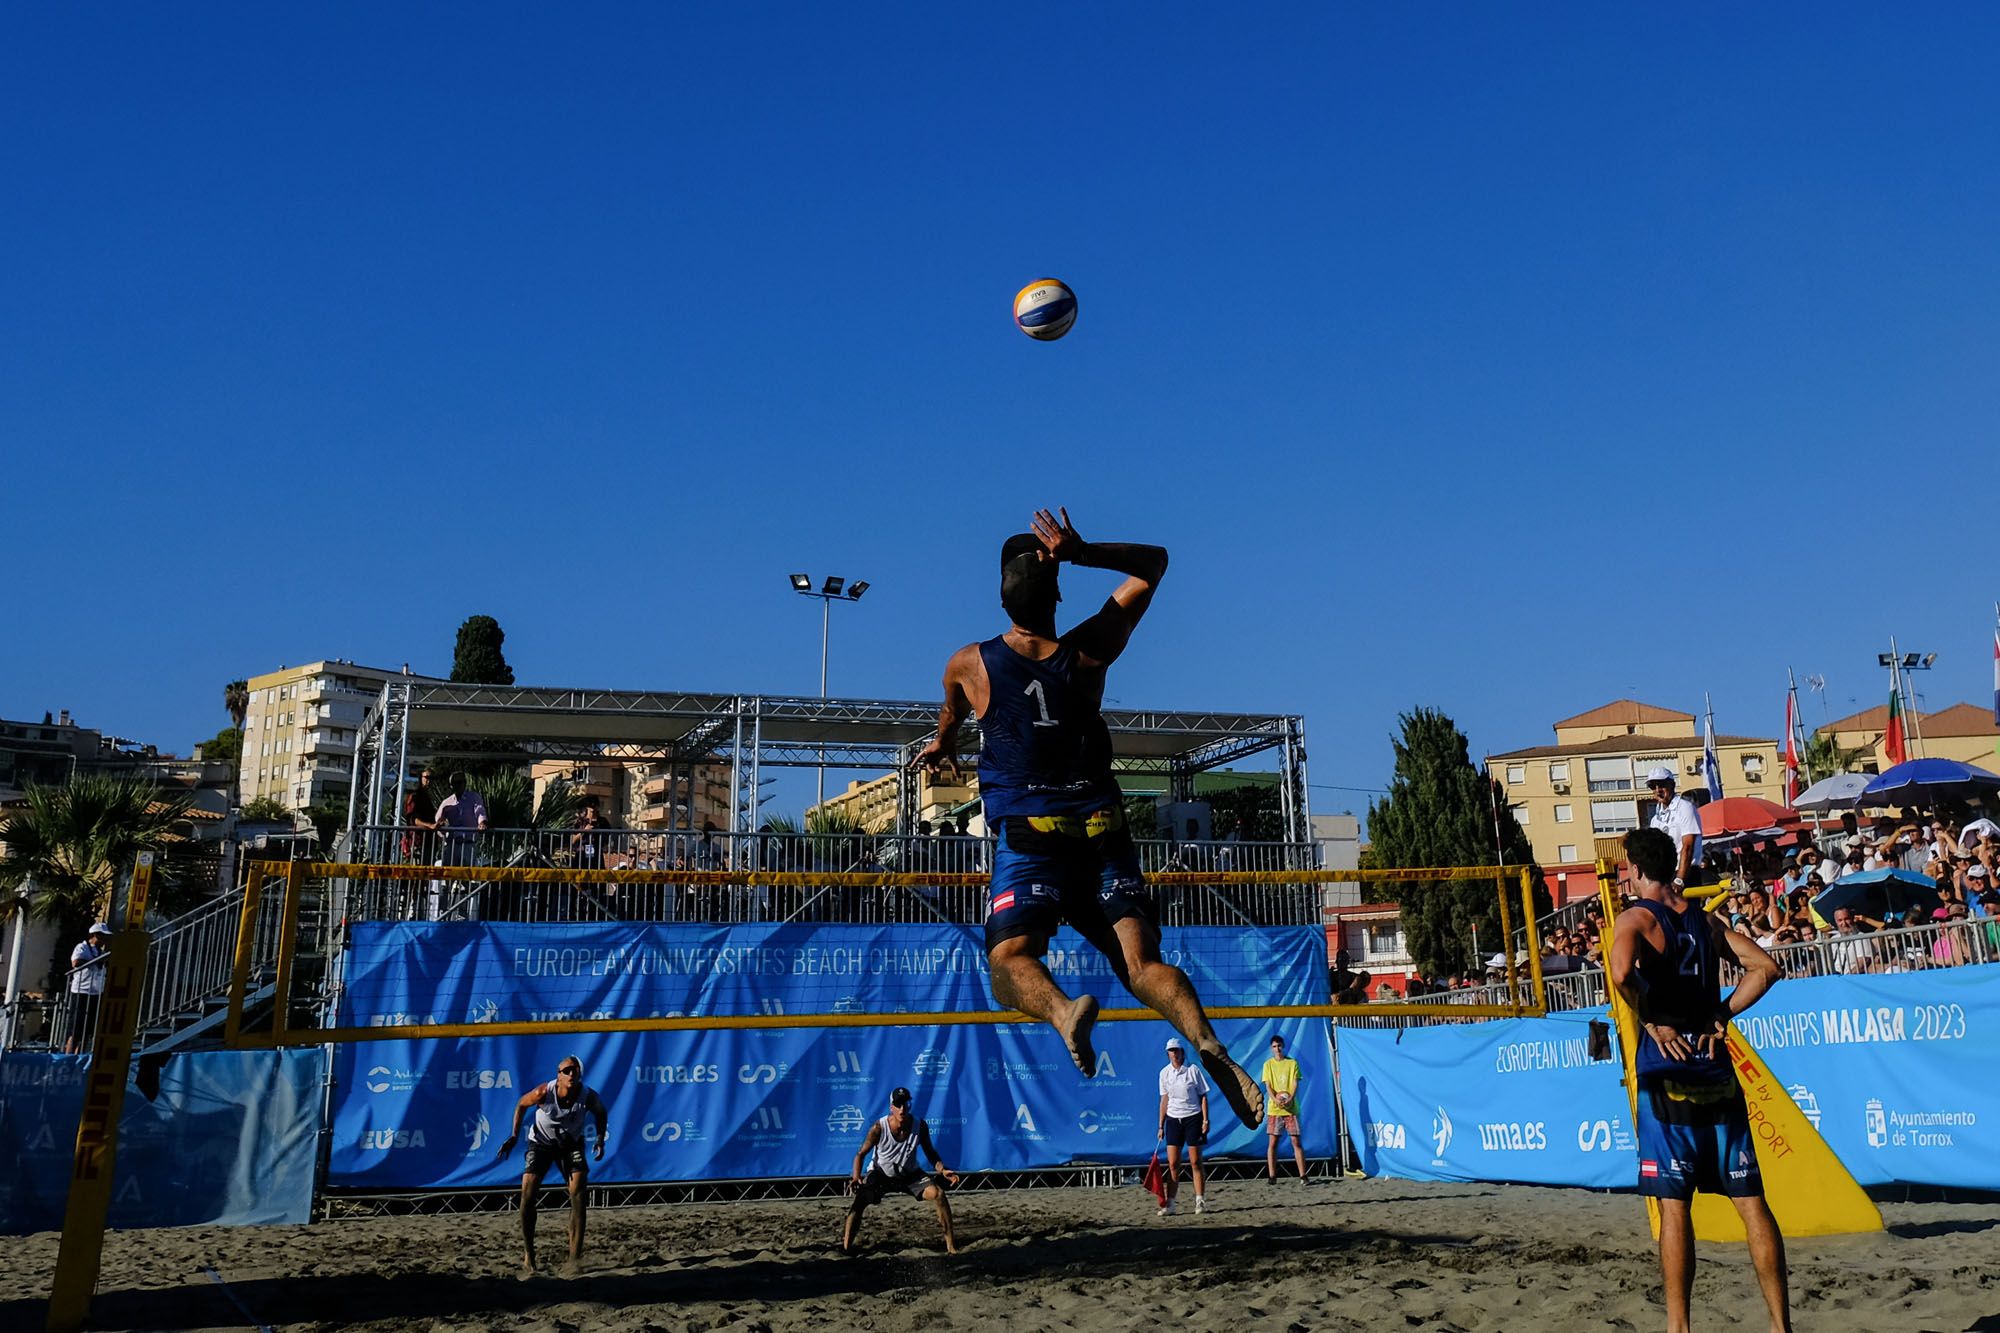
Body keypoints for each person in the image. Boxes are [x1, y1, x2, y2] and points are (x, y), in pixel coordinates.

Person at [915, 506, 1263, 1128]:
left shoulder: (969, 663)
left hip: (1033, 838)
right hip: (1104, 832)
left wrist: (942, 744)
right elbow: (1154, 564)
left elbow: (951, 715)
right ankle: (1209, 1044)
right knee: (1141, 966)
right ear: (1055, 593)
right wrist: (1080, 550)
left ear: (1002, 602)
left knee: (1008, 964)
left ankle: (1061, 1011)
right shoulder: (1087, 653)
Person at [1609, 827, 1789, 1333]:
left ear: (1639, 870)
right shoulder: (1706, 922)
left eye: (1627, 868)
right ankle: (1780, 1326)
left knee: (1675, 1208)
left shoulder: (1639, 916)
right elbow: (1766, 968)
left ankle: (1679, 1327)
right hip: (1715, 1069)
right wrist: (1719, 1014)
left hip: (1669, 1074)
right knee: (1751, 1203)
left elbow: (1621, 973)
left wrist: (1650, 1017)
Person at [497, 1055, 608, 1276]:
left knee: (578, 1189)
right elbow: (521, 1104)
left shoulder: (587, 1096)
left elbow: (601, 1113)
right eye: (566, 1070)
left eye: (575, 1070)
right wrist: (514, 1135)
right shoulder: (544, 1093)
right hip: (541, 1142)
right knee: (527, 1192)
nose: (571, 1074)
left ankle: (574, 1259)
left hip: (570, 1143)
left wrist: (599, 1139)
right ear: (558, 1075)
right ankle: (529, 1256)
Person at [843, 1086, 961, 1254]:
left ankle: (951, 1246)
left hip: (909, 1175)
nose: (902, 1108)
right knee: (861, 1199)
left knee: (939, 1194)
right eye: (898, 1104)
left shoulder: (919, 1126)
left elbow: (930, 1153)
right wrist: (856, 1177)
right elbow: (860, 1154)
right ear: (891, 1107)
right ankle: (846, 1248)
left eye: (905, 1103)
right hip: (881, 1174)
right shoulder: (879, 1128)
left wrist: (942, 1170)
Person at [1155, 1037, 1210, 1215]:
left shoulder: (1193, 1070)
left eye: (1177, 1050)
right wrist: (1161, 1126)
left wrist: (1205, 1120)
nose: (1174, 1054)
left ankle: (1199, 1200)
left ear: (1182, 1052)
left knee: (1195, 1161)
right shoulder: (1164, 1073)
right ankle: (1170, 1203)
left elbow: (1203, 1096)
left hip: (1192, 1117)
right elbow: (1164, 1099)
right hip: (1173, 1119)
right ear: (1168, 1054)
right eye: (1171, 1051)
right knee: (1173, 1163)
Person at [1644, 767, 1706, 887]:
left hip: (1686, 872)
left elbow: (1688, 846)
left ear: (1672, 785)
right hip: (1665, 875)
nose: (1657, 790)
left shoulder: (1685, 808)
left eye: (1661, 785)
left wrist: (1680, 879)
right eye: (1652, 786)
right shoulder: (1655, 819)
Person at [1262, 1033, 1309, 1183]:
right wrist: (1275, 1099)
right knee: (1273, 1143)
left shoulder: (1292, 1063)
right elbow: (1268, 1085)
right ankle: (1272, 1176)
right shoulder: (1268, 1065)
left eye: (1279, 1046)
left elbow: (1295, 1083)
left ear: (1283, 1046)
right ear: (1271, 1048)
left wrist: (1290, 1098)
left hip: (1290, 1109)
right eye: (1274, 1046)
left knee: (1296, 1142)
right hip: (1274, 1109)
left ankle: (1303, 1175)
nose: (1277, 1049)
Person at [64, 922, 111, 1055]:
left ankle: (79, 1054)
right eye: (103, 936)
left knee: (88, 1029)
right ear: (95, 935)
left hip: (95, 992)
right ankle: (69, 1055)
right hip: (81, 991)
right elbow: (76, 963)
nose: (104, 940)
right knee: (75, 1028)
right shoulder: (82, 947)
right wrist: (94, 962)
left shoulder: (100, 951)